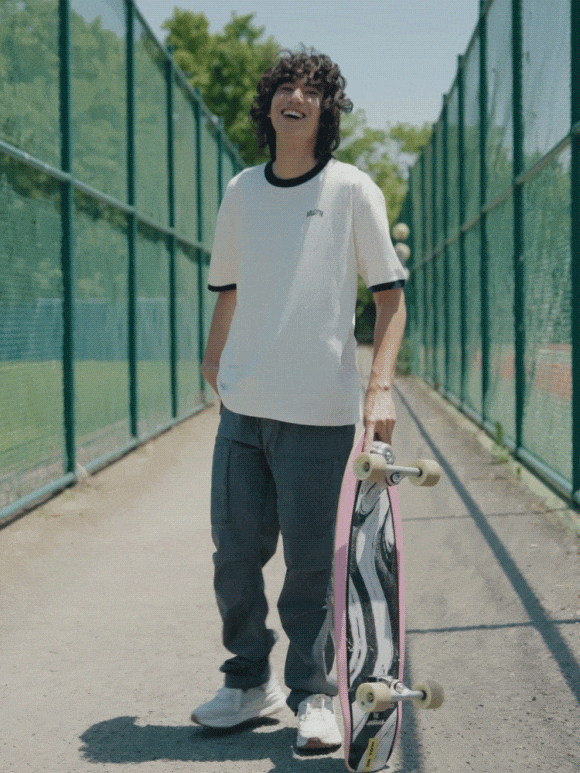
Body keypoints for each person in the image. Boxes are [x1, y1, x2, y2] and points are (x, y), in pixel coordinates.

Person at [190, 49, 408, 751]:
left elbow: (390, 298)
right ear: (270, 105)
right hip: (243, 414)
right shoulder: (241, 191)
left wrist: (380, 387)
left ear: (326, 111)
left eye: (312, 89)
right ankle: (247, 680)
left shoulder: (352, 189)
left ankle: (314, 695)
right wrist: (214, 362)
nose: (296, 95)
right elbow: (228, 289)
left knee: (312, 568)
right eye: (285, 85)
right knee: (234, 558)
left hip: (319, 416)